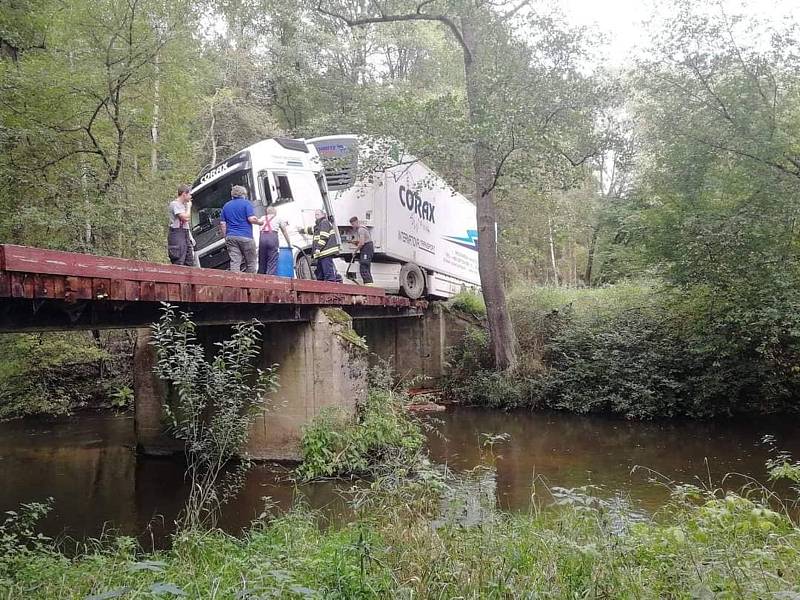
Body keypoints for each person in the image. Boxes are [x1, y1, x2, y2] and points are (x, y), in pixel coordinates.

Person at [220, 185, 261, 273]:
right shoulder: (246, 203)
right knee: (251, 262)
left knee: (235, 262)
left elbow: (223, 223)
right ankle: (250, 283)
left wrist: (225, 237)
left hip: (231, 237)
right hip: (245, 236)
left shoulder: (226, 206)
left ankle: (236, 284)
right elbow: (251, 219)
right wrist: (260, 222)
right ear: (243, 194)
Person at [300, 209, 340, 282]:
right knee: (320, 272)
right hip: (322, 253)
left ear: (323, 215)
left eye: (318, 214)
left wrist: (318, 248)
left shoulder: (324, 223)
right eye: (315, 215)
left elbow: (324, 236)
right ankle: (322, 287)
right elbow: (312, 230)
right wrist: (301, 230)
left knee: (327, 271)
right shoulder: (319, 224)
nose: (316, 216)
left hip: (325, 252)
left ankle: (331, 286)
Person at [167, 184, 195, 266]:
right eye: (189, 194)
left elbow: (186, 223)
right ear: (184, 194)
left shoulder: (184, 205)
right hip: (177, 235)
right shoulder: (174, 204)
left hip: (185, 233)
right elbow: (185, 218)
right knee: (179, 260)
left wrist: (190, 237)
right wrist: (189, 207)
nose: (191, 196)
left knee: (189, 260)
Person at [258, 206, 290, 276]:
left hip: (262, 238)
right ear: (275, 212)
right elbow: (284, 231)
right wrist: (289, 243)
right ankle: (270, 278)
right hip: (272, 238)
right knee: (272, 259)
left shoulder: (262, 218)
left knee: (262, 259)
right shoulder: (278, 218)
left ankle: (260, 278)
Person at [349, 216, 374, 285]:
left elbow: (362, 243)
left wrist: (355, 251)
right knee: (366, 266)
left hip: (367, 248)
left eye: (353, 224)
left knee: (364, 265)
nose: (352, 226)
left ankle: (368, 284)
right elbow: (362, 241)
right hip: (367, 247)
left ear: (356, 222)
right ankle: (369, 283)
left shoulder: (360, 230)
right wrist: (353, 242)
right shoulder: (363, 228)